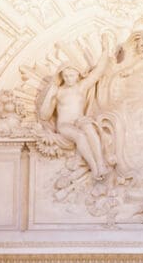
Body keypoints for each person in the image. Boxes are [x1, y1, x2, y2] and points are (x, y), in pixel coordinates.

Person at [37, 34, 112, 179]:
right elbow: (44, 115)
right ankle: (95, 167)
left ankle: (101, 164)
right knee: (80, 136)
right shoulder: (58, 92)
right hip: (65, 125)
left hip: (80, 120)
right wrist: (50, 94)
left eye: (72, 75)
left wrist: (105, 49)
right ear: (62, 76)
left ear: (78, 75)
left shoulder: (81, 87)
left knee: (89, 128)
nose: (69, 78)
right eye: (66, 76)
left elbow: (98, 72)